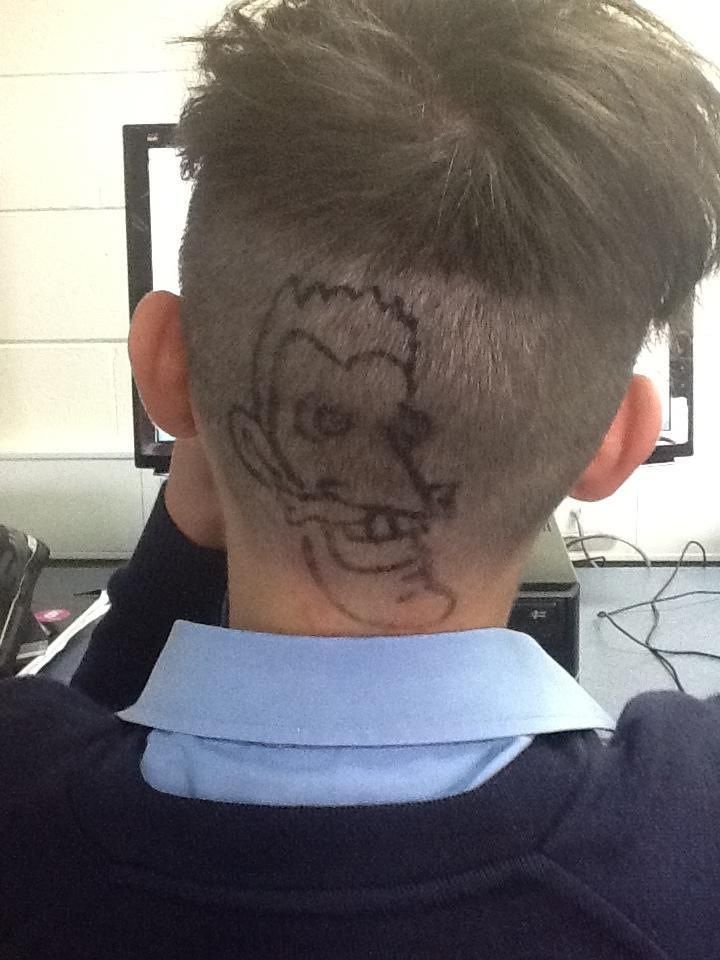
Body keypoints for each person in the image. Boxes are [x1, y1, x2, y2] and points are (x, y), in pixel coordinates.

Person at [3, 0, 720, 956]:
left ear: (164, 366)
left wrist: (178, 550)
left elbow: (81, 760)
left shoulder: (25, 802)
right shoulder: (691, 828)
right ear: (618, 440)